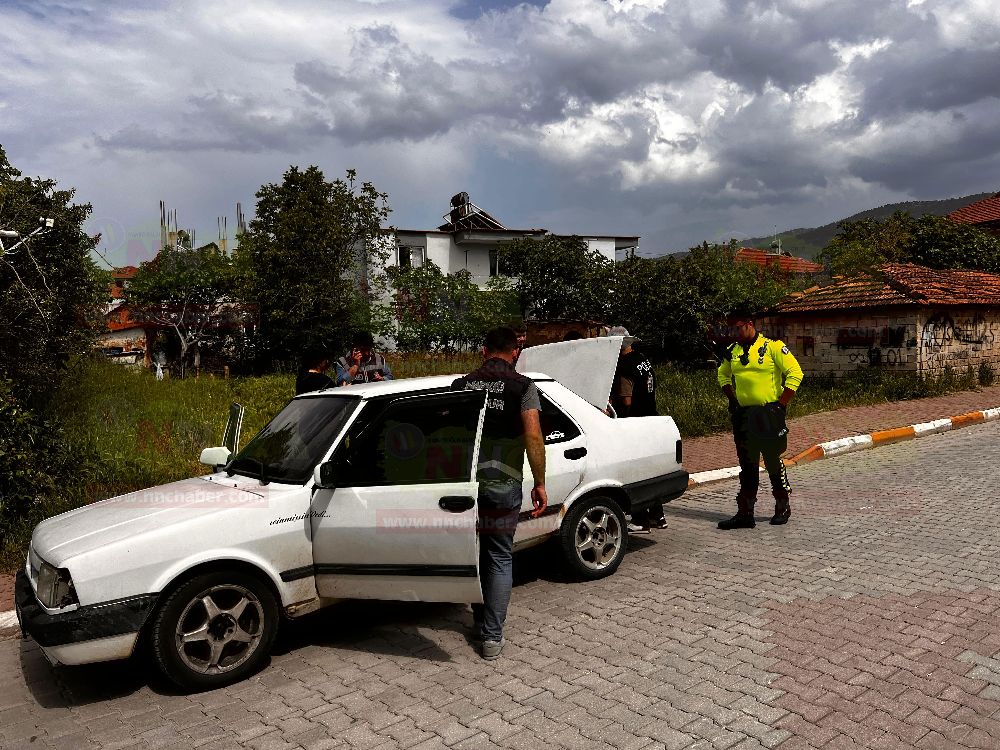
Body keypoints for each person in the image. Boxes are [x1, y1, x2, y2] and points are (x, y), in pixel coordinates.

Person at [452, 326, 548, 660]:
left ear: (483, 351)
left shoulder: (462, 385)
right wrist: (539, 482)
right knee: (499, 556)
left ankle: (480, 621)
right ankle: (491, 638)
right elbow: (533, 437)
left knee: (476, 552)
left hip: (465, 487)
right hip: (503, 483)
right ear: (514, 352)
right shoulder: (523, 387)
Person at [716, 309, 804, 529]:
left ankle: (782, 505)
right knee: (747, 464)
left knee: (772, 460)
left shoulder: (772, 346)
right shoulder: (732, 351)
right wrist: (732, 398)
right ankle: (745, 513)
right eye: (730, 329)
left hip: (768, 414)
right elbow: (722, 375)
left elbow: (796, 373)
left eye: (737, 328)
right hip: (744, 415)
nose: (734, 333)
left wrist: (781, 405)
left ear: (749, 324)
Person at [608, 326, 667, 533]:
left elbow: (626, 400)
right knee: (649, 471)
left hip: (635, 423)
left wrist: (611, 408)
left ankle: (641, 519)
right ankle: (657, 516)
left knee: (636, 473)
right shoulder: (642, 359)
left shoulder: (624, 365)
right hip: (651, 419)